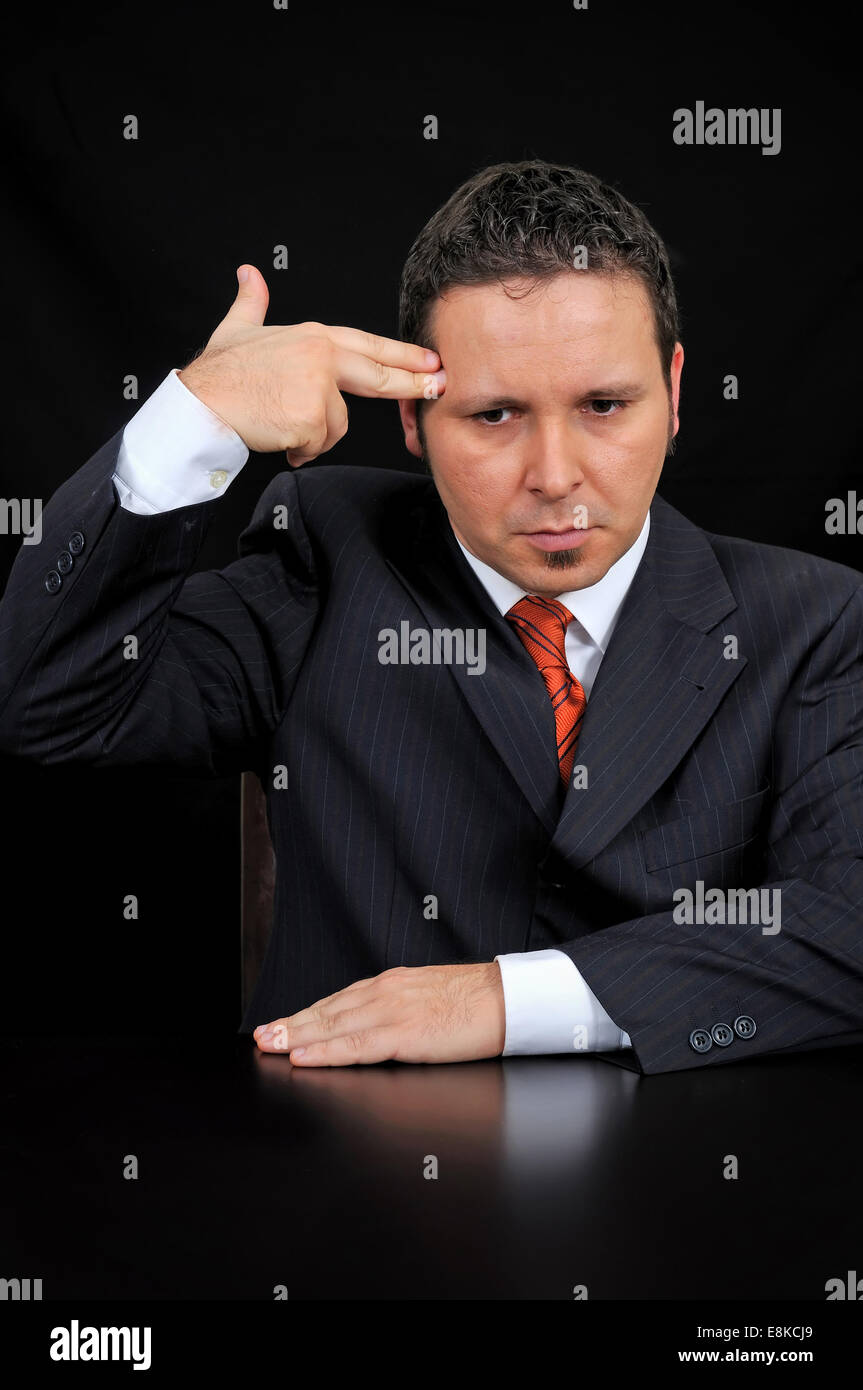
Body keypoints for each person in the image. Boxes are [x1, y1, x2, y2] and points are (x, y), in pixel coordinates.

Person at [1, 160, 861, 1074]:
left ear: (676, 391)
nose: (555, 475)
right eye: (493, 415)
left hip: (689, 1183)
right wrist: (191, 421)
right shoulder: (322, 562)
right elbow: (46, 703)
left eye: (605, 405)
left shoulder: (812, 621)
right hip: (337, 1179)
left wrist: (506, 999)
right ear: (413, 420)